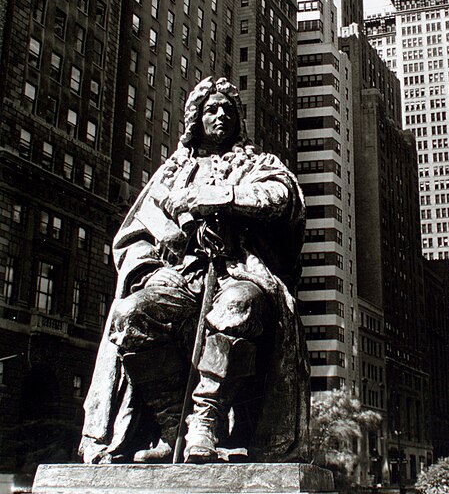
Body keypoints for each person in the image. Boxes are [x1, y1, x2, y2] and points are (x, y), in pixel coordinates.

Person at [79, 77, 309, 465]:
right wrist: (166, 238)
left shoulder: (257, 163)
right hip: (179, 274)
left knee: (239, 306)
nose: (220, 115)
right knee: (129, 315)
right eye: (211, 109)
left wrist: (218, 199)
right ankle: (174, 426)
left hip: (239, 271)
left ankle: (206, 421)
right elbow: (134, 232)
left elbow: (281, 198)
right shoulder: (172, 171)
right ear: (195, 118)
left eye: (228, 110)